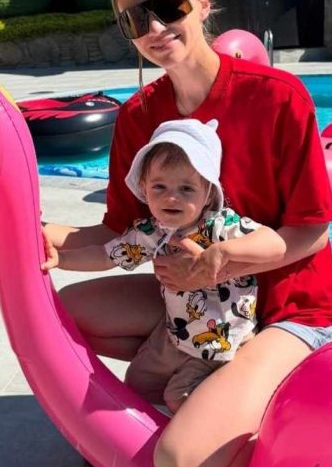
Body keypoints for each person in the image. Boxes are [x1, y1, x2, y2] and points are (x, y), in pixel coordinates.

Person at [0, 0, 332, 467]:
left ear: (202, 3)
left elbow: (310, 232)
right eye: (135, 19)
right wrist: (22, 230)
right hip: (198, 301)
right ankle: (199, 364)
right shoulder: (138, 116)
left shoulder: (277, 97)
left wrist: (217, 262)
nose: (154, 27)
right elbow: (117, 232)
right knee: (58, 316)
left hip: (290, 309)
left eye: (168, 6)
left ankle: (261, 386)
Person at [41, 117, 287, 414]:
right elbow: (106, 255)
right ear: (144, 189)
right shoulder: (152, 232)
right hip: (175, 334)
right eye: (160, 187)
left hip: (221, 343)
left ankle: (219, 421)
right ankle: (147, 434)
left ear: (208, 193)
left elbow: (275, 244)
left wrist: (223, 252)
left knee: (179, 396)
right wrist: (63, 259)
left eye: (186, 189)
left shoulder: (221, 226)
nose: (172, 197)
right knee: (138, 383)